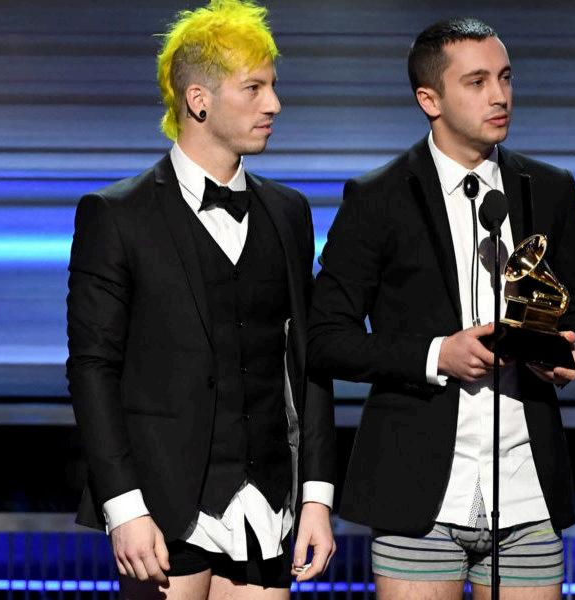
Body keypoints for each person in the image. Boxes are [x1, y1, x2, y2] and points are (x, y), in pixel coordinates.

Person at [308, 17, 575, 600]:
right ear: (430, 100)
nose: (499, 95)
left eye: (505, 77)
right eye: (477, 82)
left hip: (527, 492)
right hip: (418, 493)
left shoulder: (549, 189)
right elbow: (325, 336)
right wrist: (436, 355)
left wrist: (569, 351)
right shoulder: (378, 198)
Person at [66, 1, 336, 598]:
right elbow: (93, 369)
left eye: (273, 86)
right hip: (162, 507)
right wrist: (123, 506)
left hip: (268, 507)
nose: (274, 104)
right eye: (254, 88)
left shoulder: (289, 212)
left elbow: (307, 362)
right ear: (198, 100)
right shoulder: (117, 215)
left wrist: (317, 495)